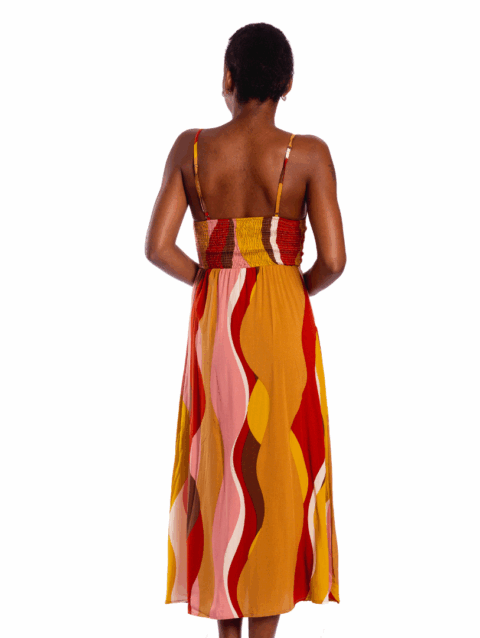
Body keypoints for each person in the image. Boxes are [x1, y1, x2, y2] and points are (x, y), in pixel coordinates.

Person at [145, 22, 347, 638]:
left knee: (224, 472)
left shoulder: (192, 149)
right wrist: (288, 287)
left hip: (217, 321)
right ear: (288, 83)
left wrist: (212, 278)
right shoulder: (308, 154)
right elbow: (334, 261)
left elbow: (158, 247)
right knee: (277, 474)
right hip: (284, 320)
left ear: (227, 78)